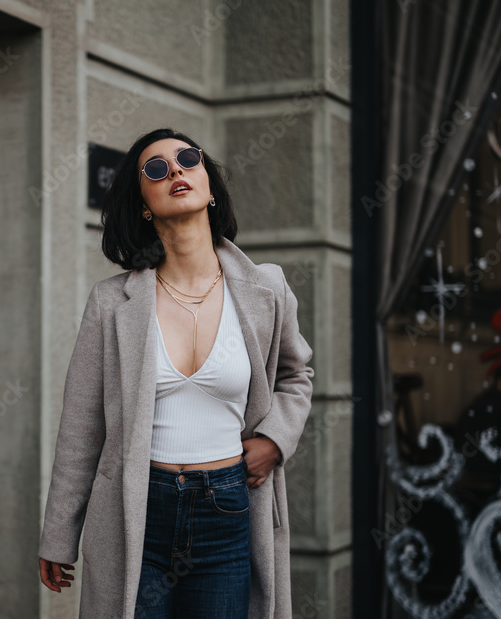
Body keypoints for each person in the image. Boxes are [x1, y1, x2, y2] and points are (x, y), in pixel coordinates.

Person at [37, 128, 314, 618]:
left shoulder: (265, 287)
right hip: (136, 509)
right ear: (143, 203)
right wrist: (60, 534)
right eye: (156, 168)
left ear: (209, 185)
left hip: (230, 506)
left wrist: (275, 439)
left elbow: (296, 375)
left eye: (188, 158)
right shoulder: (111, 301)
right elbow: (82, 426)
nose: (177, 170)